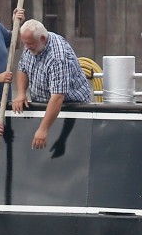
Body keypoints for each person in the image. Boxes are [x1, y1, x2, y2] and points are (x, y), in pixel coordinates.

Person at [13, 19, 91, 150]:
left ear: (43, 39)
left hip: (71, 109)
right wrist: (21, 93)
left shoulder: (58, 58)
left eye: (30, 44)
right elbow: (22, 68)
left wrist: (43, 129)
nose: (26, 48)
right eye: (24, 44)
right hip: (42, 104)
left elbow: (58, 97)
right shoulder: (32, 43)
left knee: (70, 148)